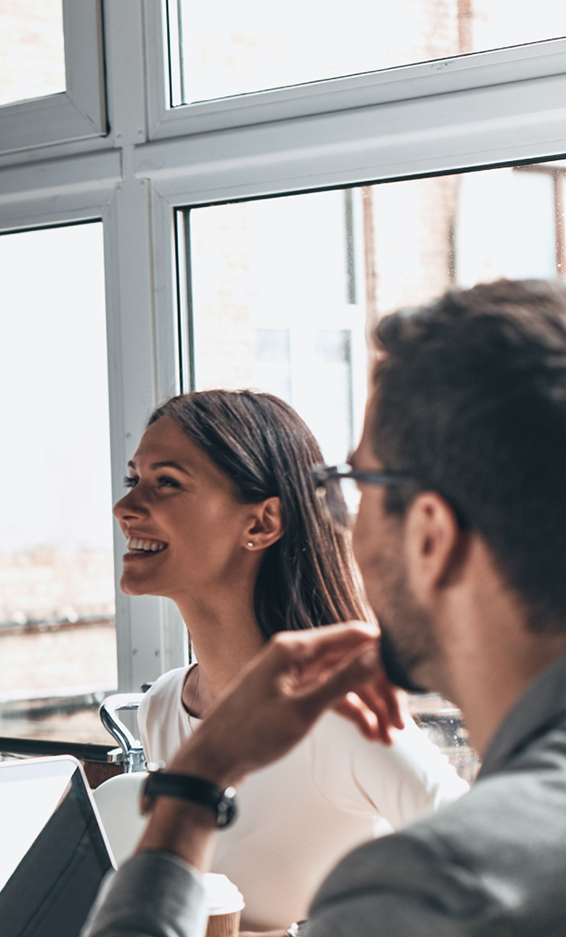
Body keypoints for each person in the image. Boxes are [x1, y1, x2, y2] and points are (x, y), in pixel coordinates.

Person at [83, 278, 566, 937]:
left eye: (354, 484)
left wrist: (192, 793)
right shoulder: (167, 704)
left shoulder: (435, 879)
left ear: (430, 534)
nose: (339, 520)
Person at [113, 390, 465, 930]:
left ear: (261, 523)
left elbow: (489, 870)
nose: (126, 507)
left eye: (167, 483)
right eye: (133, 480)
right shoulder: (163, 706)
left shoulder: (342, 720)